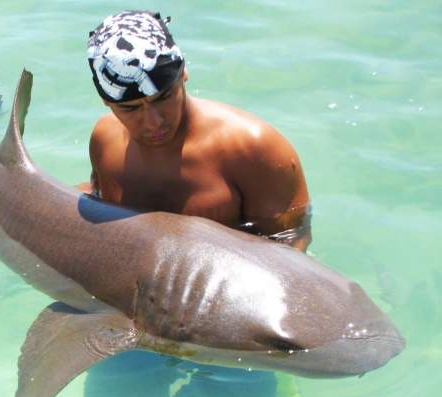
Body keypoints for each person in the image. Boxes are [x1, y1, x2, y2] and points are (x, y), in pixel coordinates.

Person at [79, 10, 311, 251]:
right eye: (130, 108)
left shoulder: (254, 149)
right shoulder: (105, 139)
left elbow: (292, 245)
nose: (153, 122)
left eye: (164, 97)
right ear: (106, 102)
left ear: (184, 74)